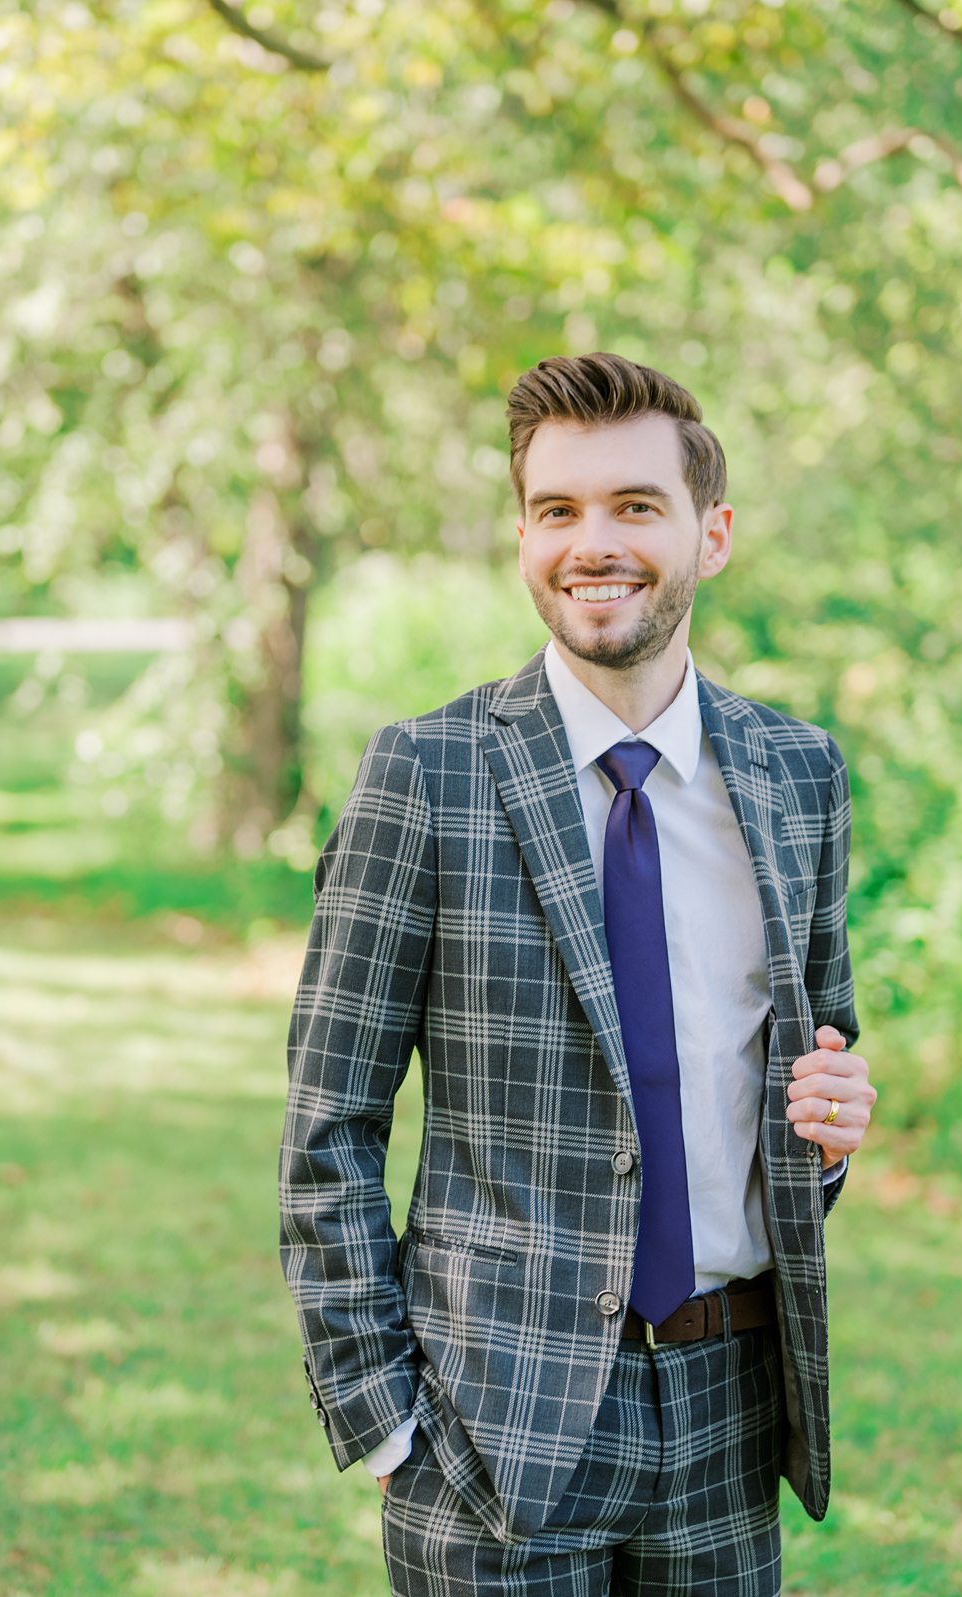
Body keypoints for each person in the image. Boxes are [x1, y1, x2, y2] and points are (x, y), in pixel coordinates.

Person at [280, 351, 878, 1594]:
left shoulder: (798, 776)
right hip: (491, 1424)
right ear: (523, 538)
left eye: (633, 507)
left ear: (711, 534)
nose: (591, 543)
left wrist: (829, 1131)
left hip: (729, 1403)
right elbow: (328, 1125)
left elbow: (813, 1080)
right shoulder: (426, 778)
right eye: (558, 510)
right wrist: (385, 1420)